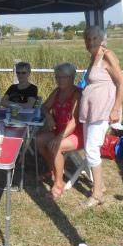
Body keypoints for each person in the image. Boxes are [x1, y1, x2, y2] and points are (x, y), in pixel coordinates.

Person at [79, 26, 123, 207]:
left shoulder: (107, 55)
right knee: (89, 147)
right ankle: (100, 185)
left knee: (92, 148)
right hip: (92, 110)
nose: (91, 41)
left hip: (103, 110)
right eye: (88, 39)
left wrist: (115, 109)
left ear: (102, 39)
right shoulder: (94, 57)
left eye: (94, 38)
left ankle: (97, 193)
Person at [37, 63, 84, 199]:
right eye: (57, 77)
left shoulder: (77, 93)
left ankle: (58, 183)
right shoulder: (57, 91)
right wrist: (49, 116)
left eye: (63, 77)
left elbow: (74, 121)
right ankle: (53, 169)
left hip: (76, 133)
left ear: (72, 77)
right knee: (38, 141)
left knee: (56, 146)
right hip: (59, 130)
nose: (59, 80)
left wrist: (58, 138)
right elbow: (44, 107)